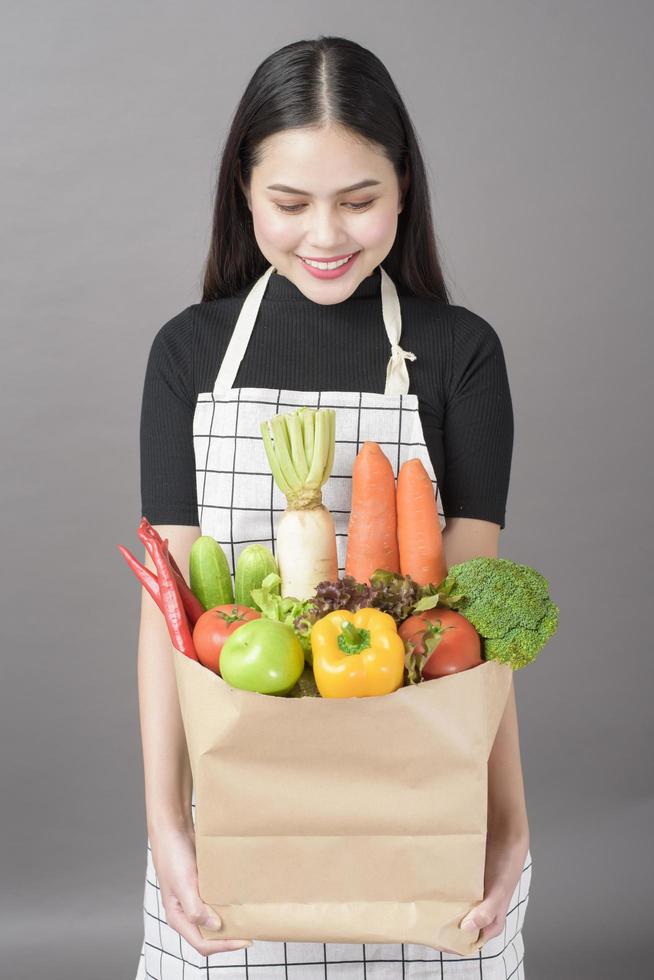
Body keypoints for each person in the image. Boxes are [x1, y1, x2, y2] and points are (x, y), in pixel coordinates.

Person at [133, 35, 532, 980]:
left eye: (359, 202)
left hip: (424, 809)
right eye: (290, 202)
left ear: (404, 190)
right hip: (239, 813)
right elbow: (167, 616)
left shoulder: (461, 355)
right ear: (244, 192)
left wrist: (508, 822)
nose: (326, 235)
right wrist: (164, 825)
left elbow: (470, 628)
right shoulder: (187, 357)